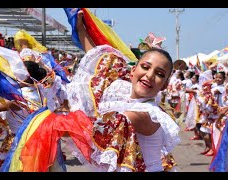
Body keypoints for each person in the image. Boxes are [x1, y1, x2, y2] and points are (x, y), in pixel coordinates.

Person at [64, 9, 180, 172]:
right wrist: (81, 29)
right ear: (132, 71)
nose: (149, 75)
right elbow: (100, 64)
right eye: (145, 67)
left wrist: (48, 125)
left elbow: (101, 126)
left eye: (159, 74)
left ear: (165, 85)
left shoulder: (147, 114)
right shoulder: (122, 88)